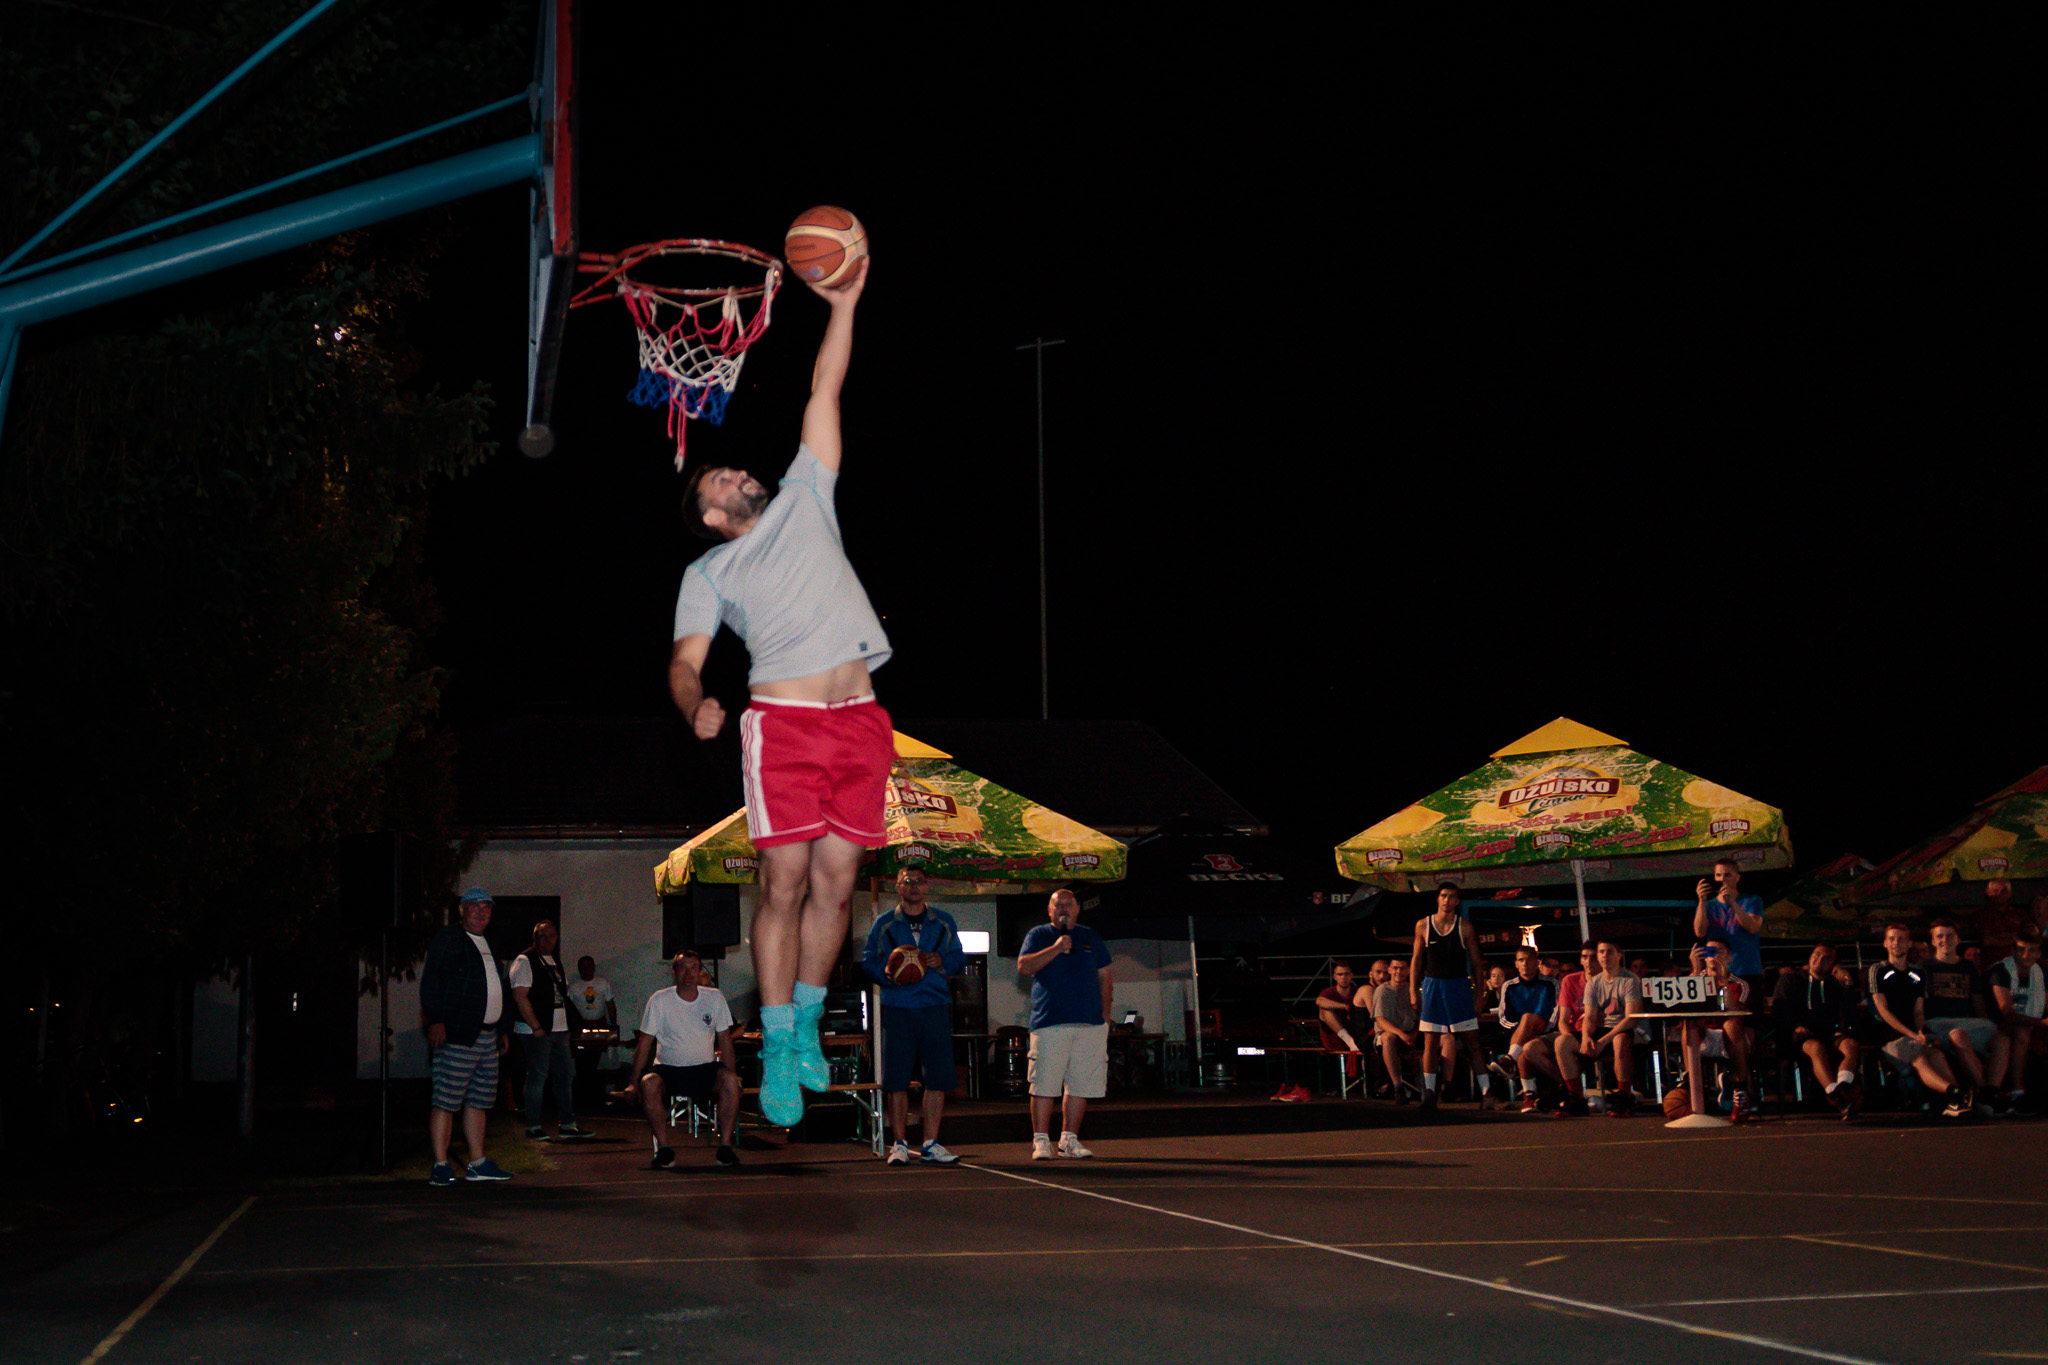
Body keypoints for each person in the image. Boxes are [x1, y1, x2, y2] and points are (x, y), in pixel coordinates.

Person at [667, 257, 883, 1130]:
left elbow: (825, 385)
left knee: (839, 881)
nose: (734, 475)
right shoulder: (710, 571)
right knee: (784, 880)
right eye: (718, 482)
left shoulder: (805, 494)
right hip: (785, 725)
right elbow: (685, 661)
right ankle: (781, 1038)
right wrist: (695, 704)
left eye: (730, 471)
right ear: (713, 518)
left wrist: (845, 303)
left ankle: (809, 1021)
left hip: (861, 718)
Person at [861, 867, 966, 1165]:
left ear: (927, 886)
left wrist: (941, 960)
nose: (914, 886)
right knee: (896, 1079)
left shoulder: (943, 921)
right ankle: (899, 1144)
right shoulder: (884, 924)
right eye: (907, 881)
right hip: (898, 1008)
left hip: (934, 1007)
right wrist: (887, 971)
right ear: (897, 887)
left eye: (919, 881)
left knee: (937, 1078)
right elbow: (868, 961)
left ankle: (930, 1143)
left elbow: (959, 958)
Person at [418, 888, 515, 1186]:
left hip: (487, 1037)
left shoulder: (489, 942)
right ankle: (441, 1165)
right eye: (475, 906)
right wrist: (435, 1020)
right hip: (458, 1034)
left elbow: (499, 986)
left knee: (479, 1100)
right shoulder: (450, 938)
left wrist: (502, 1028)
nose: (481, 912)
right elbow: (432, 980)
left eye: (487, 907)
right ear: (462, 910)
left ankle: (477, 1162)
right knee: (446, 1100)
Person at [1018, 888, 1113, 1159]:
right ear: (1049, 911)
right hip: (1050, 1022)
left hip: (1089, 1024)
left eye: (1068, 904)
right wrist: (1057, 948)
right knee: (1044, 1084)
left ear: (1077, 909)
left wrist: (1105, 1018)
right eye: (1057, 905)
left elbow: (1106, 977)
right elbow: (1024, 967)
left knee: (1081, 1084)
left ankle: (1069, 1140)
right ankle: (1040, 1140)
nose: (1063, 909)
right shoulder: (1038, 935)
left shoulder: (1090, 936)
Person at [626, 950, 742, 1170]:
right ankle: (664, 1149)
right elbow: (644, 1044)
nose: (689, 973)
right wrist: (633, 1082)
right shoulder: (659, 1000)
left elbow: (726, 1042)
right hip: (668, 1070)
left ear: (700, 971)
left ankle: (726, 1147)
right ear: (673, 971)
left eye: (694, 968)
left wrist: (733, 1076)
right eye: (683, 968)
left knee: (729, 1080)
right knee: (648, 1083)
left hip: (705, 1070)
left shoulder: (715, 998)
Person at [1866, 922, 1972, 1117]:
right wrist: (1911, 1034)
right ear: (1885, 943)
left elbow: (1918, 1011)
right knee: (1919, 1058)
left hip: (1913, 1031)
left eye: (1901, 939)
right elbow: (1883, 1010)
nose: (1896, 942)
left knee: (1937, 1055)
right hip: (1890, 1033)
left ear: (1909, 944)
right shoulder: (1878, 969)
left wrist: (1920, 1030)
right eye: (1892, 939)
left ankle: (1958, 1102)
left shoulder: (1918, 972)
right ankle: (1955, 1092)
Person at [1408, 883, 1494, 1114]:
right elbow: (1416, 960)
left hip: (1458, 987)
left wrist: (1479, 997)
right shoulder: (1423, 925)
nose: (1446, 900)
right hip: (1433, 986)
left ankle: (1487, 1093)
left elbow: (1476, 964)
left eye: (1451, 896)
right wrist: (1413, 991)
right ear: (1438, 899)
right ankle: (1429, 1093)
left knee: (1472, 1041)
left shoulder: (1465, 927)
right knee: (1430, 1041)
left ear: (1457, 901)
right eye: (1443, 896)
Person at [510, 920, 591, 1142]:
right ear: (534, 938)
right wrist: (535, 1026)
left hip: (559, 1029)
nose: (548, 940)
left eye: (552, 936)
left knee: (564, 1075)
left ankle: (567, 1124)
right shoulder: (525, 960)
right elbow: (519, 995)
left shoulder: (554, 960)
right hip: (538, 1030)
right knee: (537, 1077)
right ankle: (533, 1126)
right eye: (543, 936)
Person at [1770, 943, 1863, 1118]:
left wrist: (1848, 986)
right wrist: (1795, 1025)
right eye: (1817, 954)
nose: (1820, 959)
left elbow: (1849, 1016)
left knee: (1850, 1044)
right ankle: (1836, 1095)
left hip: (1829, 1032)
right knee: (1815, 1047)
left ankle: (1842, 1088)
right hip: (1800, 1034)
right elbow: (1779, 1010)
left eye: (1827, 958)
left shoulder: (1834, 985)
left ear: (1834, 964)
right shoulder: (1791, 980)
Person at [1923, 917, 2008, 1106]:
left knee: (2002, 1040)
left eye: (1949, 935)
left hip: (1969, 1023)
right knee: (1958, 1035)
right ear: (1933, 941)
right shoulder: (1925, 968)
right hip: (1939, 1024)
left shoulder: (1968, 967)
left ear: (1958, 939)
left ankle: (1991, 1091)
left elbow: (1977, 1001)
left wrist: (1987, 1023)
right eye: (1940, 936)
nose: (1945, 940)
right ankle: (1985, 1092)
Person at [1556, 939, 1642, 1118]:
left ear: (1619, 956)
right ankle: (1576, 1098)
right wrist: (1586, 1037)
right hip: (1600, 1029)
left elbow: (1631, 1018)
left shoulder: (1630, 980)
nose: (1604, 956)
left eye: (1609, 952)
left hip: (1621, 1029)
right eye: (1601, 952)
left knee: (1620, 1040)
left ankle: (1624, 1097)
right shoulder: (1594, 982)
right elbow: (1589, 1016)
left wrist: (1603, 1041)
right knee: (1562, 1042)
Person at [1685, 937, 1753, 1123]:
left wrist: (1723, 981)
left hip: (1731, 1036)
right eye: (1710, 952)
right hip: (1704, 1035)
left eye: (1719, 952)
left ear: (1729, 957)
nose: (1713, 957)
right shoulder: (1695, 979)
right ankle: (1688, 1083)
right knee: (1690, 1024)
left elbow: (1735, 1014)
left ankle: (1740, 1088)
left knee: (1731, 1024)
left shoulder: (1740, 984)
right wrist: (1696, 971)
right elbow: (1686, 1007)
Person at [1497, 945, 1562, 1112]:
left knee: (1527, 1021)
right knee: (1524, 1044)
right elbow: (1503, 1017)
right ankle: (1529, 1095)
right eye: (1521, 960)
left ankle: (1510, 1060)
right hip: (1517, 1033)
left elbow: (1556, 1011)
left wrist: (1540, 1029)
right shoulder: (1509, 986)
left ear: (1537, 963)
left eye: (1529, 960)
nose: (1525, 963)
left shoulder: (1551, 984)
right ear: (1516, 964)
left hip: (1545, 1029)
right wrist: (1522, 1030)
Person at [1988, 925, 2045, 1115]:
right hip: (1998, 1025)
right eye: (2021, 950)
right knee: (2021, 1033)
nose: (2026, 955)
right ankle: (2017, 1092)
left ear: (2039, 953)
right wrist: (2040, 1023)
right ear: (2013, 951)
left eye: (2032, 950)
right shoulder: (2001, 970)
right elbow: (2007, 1012)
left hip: (2031, 1022)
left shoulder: (2042, 972)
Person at [1694, 858, 1766, 999]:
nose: (1722, 879)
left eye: (1727, 875)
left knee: (1748, 1011)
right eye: (1718, 875)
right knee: (1717, 1010)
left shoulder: (1752, 900)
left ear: (1737, 878)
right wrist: (1702, 900)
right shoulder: (1708, 905)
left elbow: (1753, 927)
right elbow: (1700, 932)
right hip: (1716, 972)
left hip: (1747, 969)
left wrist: (1732, 902)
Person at [567, 954, 620, 1110]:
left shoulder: (602, 983)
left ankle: (601, 1097)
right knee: (582, 1062)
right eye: (583, 966)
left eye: (589, 965)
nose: (586, 969)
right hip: (581, 1028)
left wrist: (613, 1026)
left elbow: (610, 1005)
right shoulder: (573, 987)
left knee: (601, 1061)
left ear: (594, 967)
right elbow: (568, 1009)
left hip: (600, 1026)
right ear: (579, 969)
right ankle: (582, 1098)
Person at [1373, 960, 1420, 1102]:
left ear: (1408, 970)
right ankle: (1398, 1087)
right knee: (1388, 1038)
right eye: (1395, 968)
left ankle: (1441, 1087)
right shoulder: (1382, 990)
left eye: (1402, 968)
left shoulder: (1414, 990)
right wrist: (1401, 1034)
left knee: (1444, 1038)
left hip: (1411, 1032)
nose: (1398, 972)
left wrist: (1414, 1033)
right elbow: (1380, 1019)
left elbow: (1421, 1016)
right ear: (1390, 970)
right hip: (1390, 1033)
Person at [1316, 960, 1368, 1085]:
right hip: (1334, 1036)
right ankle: (1348, 1039)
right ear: (1334, 976)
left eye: (1346, 974)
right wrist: (1344, 1006)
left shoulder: (1357, 992)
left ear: (1352, 975)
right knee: (1325, 1009)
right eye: (1340, 974)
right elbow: (1319, 1001)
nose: (1343, 977)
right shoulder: (1328, 992)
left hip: (1355, 1032)